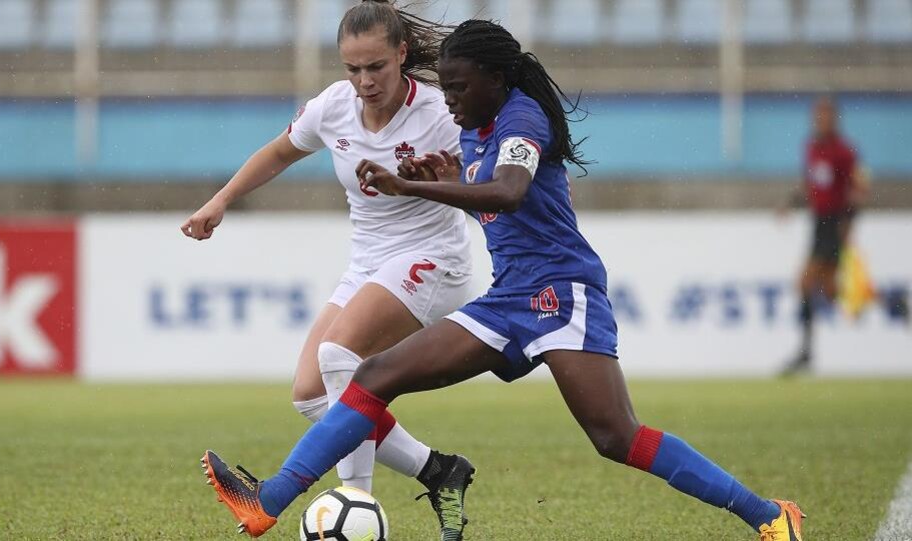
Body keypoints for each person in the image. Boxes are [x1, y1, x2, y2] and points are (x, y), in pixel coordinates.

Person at [200, 20, 804, 541]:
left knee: (617, 436)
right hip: (508, 296)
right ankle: (269, 500)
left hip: (562, 293)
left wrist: (414, 185)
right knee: (372, 374)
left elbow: (511, 193)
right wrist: (447, 171)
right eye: (450, 86)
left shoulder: (522, 118)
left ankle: (769, 516)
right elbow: (487, 190)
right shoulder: (474, 124)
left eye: (460, 87)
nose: (451, 99)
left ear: (496, 79)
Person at [183, 2, 477, 537]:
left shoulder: (440, 113)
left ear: (402, 55)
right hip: (368, 262)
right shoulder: (333, 107)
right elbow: (278, 152)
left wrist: (454, 178)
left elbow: (491, 189)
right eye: (352, 68)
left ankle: (355, 506)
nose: (364, 82)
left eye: (376, 68)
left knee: (340, 356)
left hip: (433, 260)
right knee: (311, 394)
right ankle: (441, 471)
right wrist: (220, 201)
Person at [780, 96, 869, 375]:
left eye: (826, 115)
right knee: (832, 292)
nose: (821, 120)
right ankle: (892, 303)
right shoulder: (811, 148)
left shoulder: (845, 152)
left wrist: (849, 221)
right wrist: (790, 203)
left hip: (834, 223)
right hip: (818, 222)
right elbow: (810, 184)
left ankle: (805, 352)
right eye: (818, 115)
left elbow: (859, 189)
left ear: (835, 119)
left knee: (805, 283)